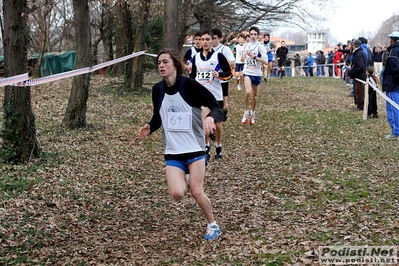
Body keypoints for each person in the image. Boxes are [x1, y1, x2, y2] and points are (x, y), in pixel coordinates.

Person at [138, 49, 223, 240]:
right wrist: (150, 127)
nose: (161, 65)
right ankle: (186, 175)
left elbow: (217, 107)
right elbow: (158, 117)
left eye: (165, 62)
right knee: (177, 193)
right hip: (173, 151)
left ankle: (213, 225)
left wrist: (210, 117)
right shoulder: (157, 90)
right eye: (159, 62)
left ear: (175, 65)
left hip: (194, 149)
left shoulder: (189, 85)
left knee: (196, 191)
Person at [190, 29, 232, 159]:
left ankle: (218, 145)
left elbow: (229, 74)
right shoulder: (196, 58)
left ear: (212, 40)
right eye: (202, 40)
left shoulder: (218, 56)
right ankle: (206, 146)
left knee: (217, 124)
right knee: (204, 122)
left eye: (208, 39)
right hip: (202, 96)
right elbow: (192, 76)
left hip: (216, 96)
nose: (205, 42)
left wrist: (219, 75)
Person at [240, 26, 268, 125]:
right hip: (247, 72)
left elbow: (265, 61)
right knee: (247, 92)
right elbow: (243, 57)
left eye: (255, 34)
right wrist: (243, 58)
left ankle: (253, 112)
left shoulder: (260, 47)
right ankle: (246, 111)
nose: (253, 36)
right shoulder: (246, 45)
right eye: (251, 34)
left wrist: (254, 57)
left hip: (257, 73)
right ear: (249, 35)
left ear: (258, 36)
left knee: (254, 96)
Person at [212, 28, 235, 121]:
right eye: (211, 38)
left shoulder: (225, 49)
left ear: (220, 38)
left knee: (223, 104)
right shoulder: (207, 50)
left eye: (214, 38)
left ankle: (225, 110)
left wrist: (224, 63)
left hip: (222, 78)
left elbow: (233, 64)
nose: (213, 40)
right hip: (211, 80)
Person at [382, 31, 399, 139]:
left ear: (392, 40)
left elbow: (395, 69)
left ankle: (396, 131)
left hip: (393, 84)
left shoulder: (394, 52)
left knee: (393, 108)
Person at [348, 39, 367, 111]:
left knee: (359, 92)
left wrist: (351, 71)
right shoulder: (361, 52)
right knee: (359, 91)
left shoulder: (358, 54)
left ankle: (360, 106)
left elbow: (360, 66)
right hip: (360, 75)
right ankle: (360, 104)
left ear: (354, 46)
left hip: (359, 76)